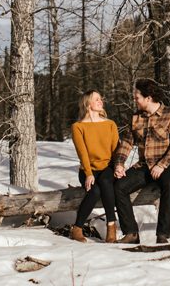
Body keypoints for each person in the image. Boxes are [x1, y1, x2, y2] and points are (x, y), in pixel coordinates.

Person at [112, 78, 170, 244]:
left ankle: (162, 235)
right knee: (119, 186)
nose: (134, 99)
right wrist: (119, 164)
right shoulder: (135, 118)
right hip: (144, 165)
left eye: (137, 96)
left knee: (168, 186)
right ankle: (131, 232)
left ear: (148, 97)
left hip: (167, 164)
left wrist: (162, 165)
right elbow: (126, 143)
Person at [70, 90, 119, 243]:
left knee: (105, 182)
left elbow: (116, 149)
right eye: (96, 99)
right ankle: (77, 228)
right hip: (87, 169)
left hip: (107, 168)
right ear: (87, 104)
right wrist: (89, 173)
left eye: (100, 98)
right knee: (95, 191)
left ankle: (112, 227)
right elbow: (82, 153)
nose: (100, 101)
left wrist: (117, 166)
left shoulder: (110, 124)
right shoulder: (78, 127)